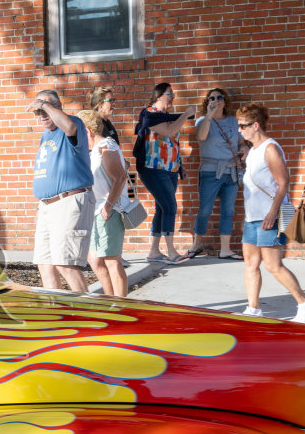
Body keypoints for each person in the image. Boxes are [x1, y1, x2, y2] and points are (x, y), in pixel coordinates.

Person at [236, 103, 305, 322]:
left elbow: (283, 183)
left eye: (243, 126)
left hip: (273, 214)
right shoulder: (252, 151)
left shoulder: (270, 148)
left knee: (273, 265)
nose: (240, 130)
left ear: (256, 125)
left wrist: (272, 213)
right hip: (253, 217)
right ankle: (253, 308)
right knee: (250, 263)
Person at [133, 82, 192, 263]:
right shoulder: (149, 114)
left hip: (170, 169)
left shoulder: (168, 116)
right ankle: (172, 252)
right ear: (159, 97)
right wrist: (186, 115)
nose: (173, 97)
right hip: (153, 169)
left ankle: (154, 251)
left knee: (162, 207)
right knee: (170, 207)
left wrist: (180, 164)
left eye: (173, 94)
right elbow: (169, 131)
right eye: (170, 94)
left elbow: (173, 142)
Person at [79, 109, 132, 296]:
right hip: (97, 210)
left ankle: (121, 306)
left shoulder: (106, 146)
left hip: (108, 211)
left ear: (87, 130)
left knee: (112, 260)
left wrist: (108, 206)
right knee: (95, 261)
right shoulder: (94, 150)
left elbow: (120, 178)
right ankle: (110, 302)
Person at [192, 87, 242, 260]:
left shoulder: (234, 121)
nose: (216, 100)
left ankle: (225, 249)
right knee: (204, 210)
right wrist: (209, 116)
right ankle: (196, 244)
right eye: (211, 98)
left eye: (219, 97)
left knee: (228, 211)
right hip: (210, 171)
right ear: (207, 102)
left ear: (224, 101)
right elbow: (202, 137)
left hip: (231, 171)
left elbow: (241, 142)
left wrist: (244, 150)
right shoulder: (202, 120)